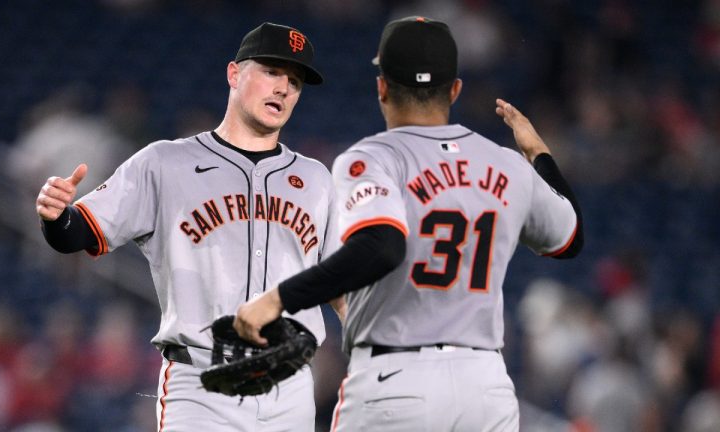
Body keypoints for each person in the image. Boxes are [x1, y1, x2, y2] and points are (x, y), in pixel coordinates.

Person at [234, 16, 584, 431]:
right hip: (485, 387)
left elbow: (381, 245)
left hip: (396, 381)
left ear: (382, 87)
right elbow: (571, 237)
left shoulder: (372, 160)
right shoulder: (508, 165)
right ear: (454, 89)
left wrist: (277, 300)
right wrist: (540, 157)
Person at [35, 22, 344, 431]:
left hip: (291, 389)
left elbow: (343, 286)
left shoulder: (316, 179)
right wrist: (56, 214)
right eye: (271, 71)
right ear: (234, 74)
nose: (283, 88)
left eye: (295, 80)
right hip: (201, 386)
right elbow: (75, 234)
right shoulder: (165, 163)